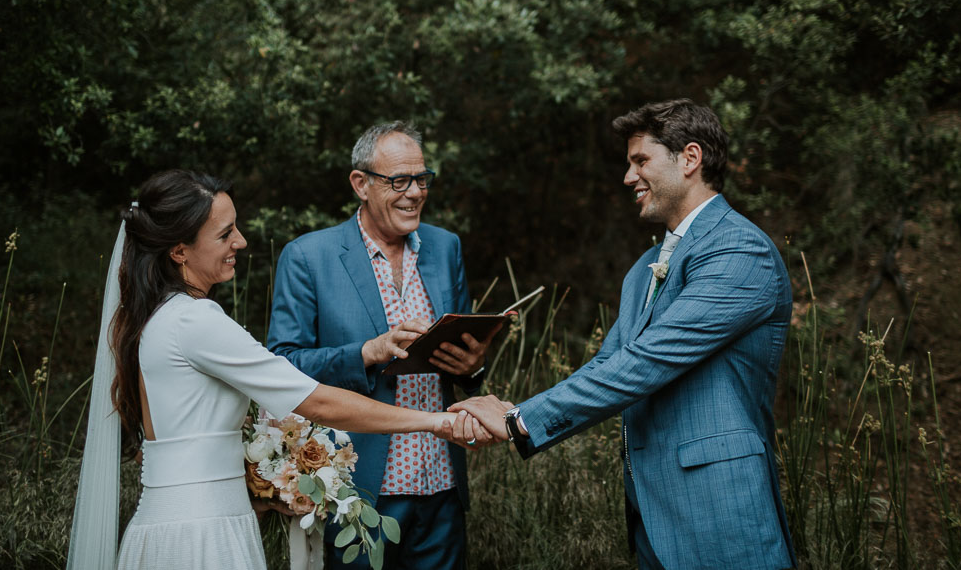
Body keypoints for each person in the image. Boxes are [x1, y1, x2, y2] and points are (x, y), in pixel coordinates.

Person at [65, 169, 487, 570]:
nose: (242, 242)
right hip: (201, 535)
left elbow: (190, 440)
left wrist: (269, 485)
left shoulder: (159, 316)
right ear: (179, 250)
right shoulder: (195, 321)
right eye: (225, 233)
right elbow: (317, 400)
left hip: (173, 520)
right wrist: (437, 422)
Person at [453, 99, 796, 570]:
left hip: (720, 511)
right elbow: (609, 364)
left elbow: (646, 364)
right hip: (651, 513)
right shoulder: (643, 269)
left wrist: (519, 422)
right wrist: (514, 411)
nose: (628, 177)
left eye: (641, 161)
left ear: (690, 159)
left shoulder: (739, 250)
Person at [267, 122, 494, 570]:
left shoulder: (446, 248)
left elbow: (465, 358)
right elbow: (282, 365)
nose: (414, 193)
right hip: (358, 489)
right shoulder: (308, 257)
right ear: (361, 184)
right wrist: (365, 353)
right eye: (398, 181)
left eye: (421, 179)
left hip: (441, 483)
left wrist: (471, 368)